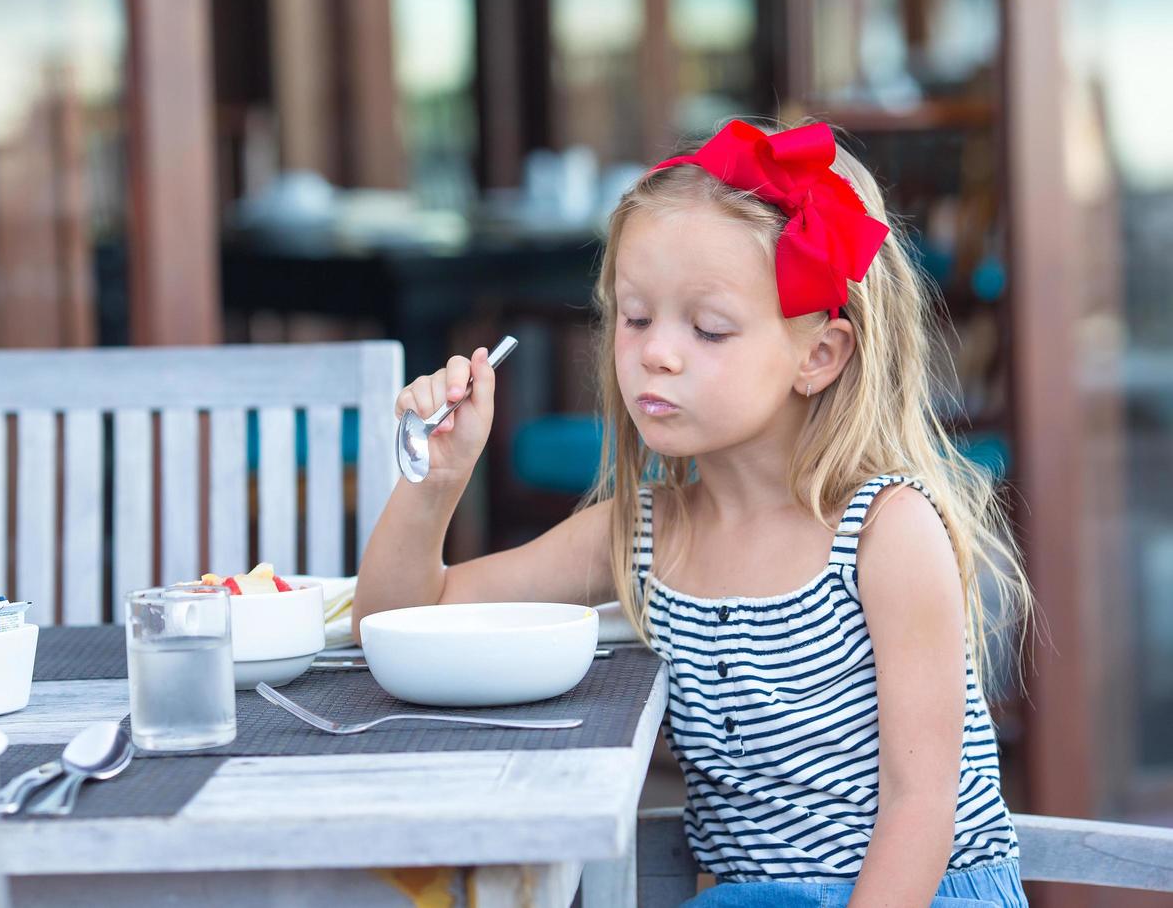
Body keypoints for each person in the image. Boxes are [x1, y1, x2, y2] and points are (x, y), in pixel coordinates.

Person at [352, 119, 1032, 906]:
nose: (656, 352)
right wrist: (435, 480)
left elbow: (922, 808)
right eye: (635, 317)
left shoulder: (886, 532)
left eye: (707, 328)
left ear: (819, 356)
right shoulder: (641, 534)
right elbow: (399, 620)